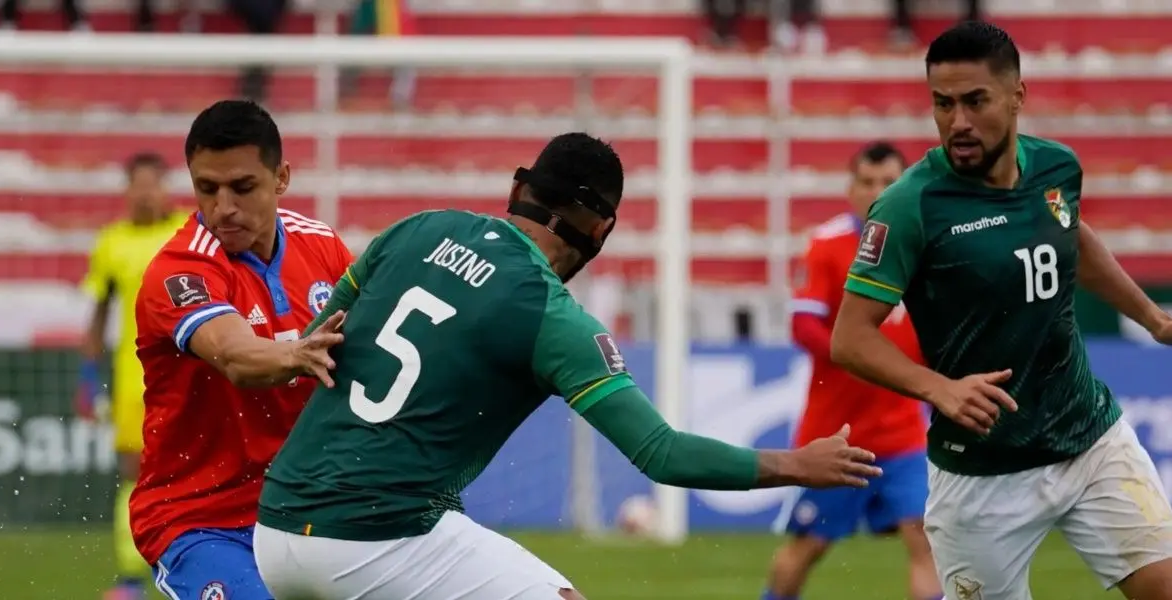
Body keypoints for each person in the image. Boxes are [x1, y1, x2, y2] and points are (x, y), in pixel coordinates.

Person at [251, 132, 883, 600]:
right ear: (601, 228)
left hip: (275, 531)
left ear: (518, 189)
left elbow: (313, 344)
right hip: (375, 539)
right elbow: (661, 453)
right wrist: (796, 465)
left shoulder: (416, 229)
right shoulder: (554, 318)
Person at [832, 21, 1172, 600]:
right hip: (982, 473)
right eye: (943, 104)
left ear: (1018, 96)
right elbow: (850, 339)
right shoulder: (910, 206)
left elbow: (1070, 236)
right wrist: (938, 388)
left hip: (1089, 438)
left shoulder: (1056, 168)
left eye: (974, 101)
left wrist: (1153, 318)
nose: (957, 122)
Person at [130, 99, 353, 600]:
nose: (223, 207)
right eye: (206, 188)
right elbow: (236, 356)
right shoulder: (179, 270)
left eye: (242, 187)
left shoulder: (322, 247)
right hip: (200, 518)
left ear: (281, 179)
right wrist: (300, 353)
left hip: (306, 512)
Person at [763, 141, 941, 600]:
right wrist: (859, 358)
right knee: (808, 545)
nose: (878, 191)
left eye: (889, 183)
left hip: (903, 432)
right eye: (868, 182)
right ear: (851, 188)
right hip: (835, 434)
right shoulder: (828, 245)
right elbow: (803, 324)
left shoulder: (925, 245)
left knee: (927, 537)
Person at [78, 152, 186, 600]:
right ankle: (130, 579)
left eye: (153, 183)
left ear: (166, 187)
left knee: (193, 471)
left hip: (188, 374)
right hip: (132, 379)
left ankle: (188, 566)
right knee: (133, 476)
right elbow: (99, 315)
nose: (145, 193)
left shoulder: (188, 231)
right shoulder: (111, 242)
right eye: (137, 184)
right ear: (126, 190)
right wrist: (87, 377)